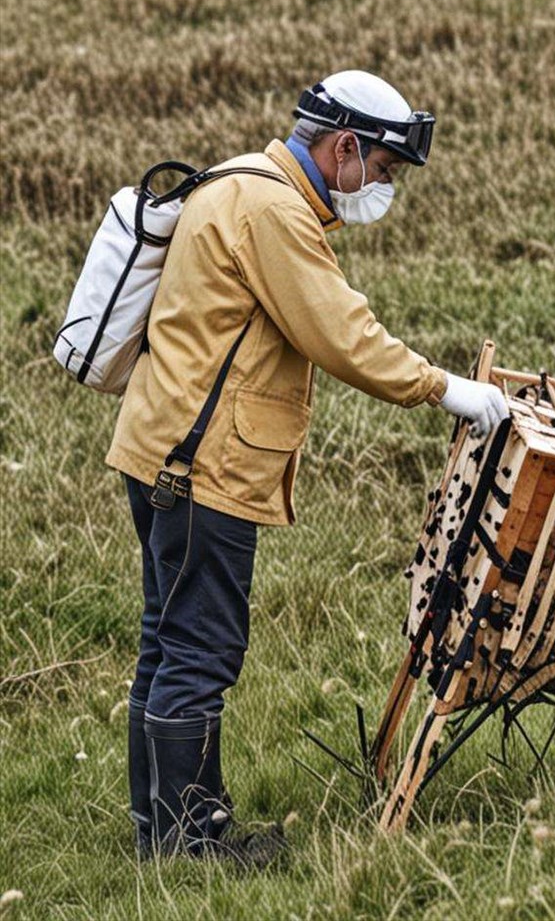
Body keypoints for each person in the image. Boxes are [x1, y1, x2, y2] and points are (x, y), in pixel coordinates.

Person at [105, 70, 509, 863]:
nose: (384, 187)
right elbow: (342, 334)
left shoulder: (234, 180)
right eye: (384, 170)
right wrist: (445, 388)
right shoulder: (274, 210)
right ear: (344, 145)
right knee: (200, 650)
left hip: (158, 446)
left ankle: (167, 832)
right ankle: (189, 846)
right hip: (202, 465)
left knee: (167, 640)